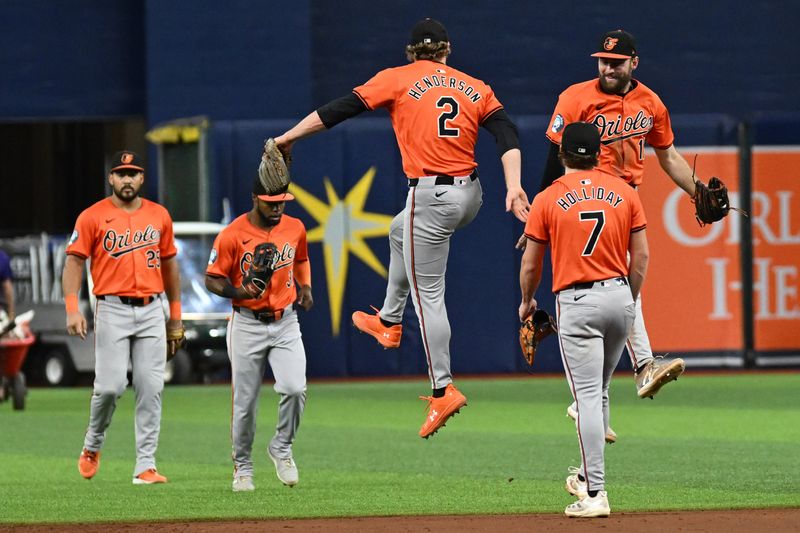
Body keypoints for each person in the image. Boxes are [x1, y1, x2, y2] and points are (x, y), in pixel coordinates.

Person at [274, 18, 529, 438]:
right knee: (398, 230)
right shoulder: (474, 85)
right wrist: (515, 185)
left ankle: (442, 388)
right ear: (447, 51)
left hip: (430, 197)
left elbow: (340, 109)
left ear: (411, 54)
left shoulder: (397, 78)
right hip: (471, 195)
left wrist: (289, 138)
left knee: (429, 295)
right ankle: (389, 321)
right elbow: (506, 131)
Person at [535, 29, 688, 411]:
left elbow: (668, 156)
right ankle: (643, 366)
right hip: (586, 194)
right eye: (603, 61)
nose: (608, 68)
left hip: (624, 195)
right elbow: (555, 155)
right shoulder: (575, 98)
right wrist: (543, 204)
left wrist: (697, 189)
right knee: (621, 279)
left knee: (623, 280)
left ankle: (588, 401)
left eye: (617, 63)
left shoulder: (650, 101)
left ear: (634, 62)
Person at [519, 122, 649, 517]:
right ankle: (586, 481)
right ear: (598, 154)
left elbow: (531, 263)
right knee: (602, 389)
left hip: (578, 302)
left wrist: (526, 301)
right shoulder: (624, 191)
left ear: (562, 155)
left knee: (588, 397)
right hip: (620, 298)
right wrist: (630, 297)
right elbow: (640, 257)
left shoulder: (548, 198)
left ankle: (595, 494)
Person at [64, 150, 183, 484]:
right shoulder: (92, 216)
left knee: (151, 386)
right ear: (111, 178)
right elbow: (73, 262)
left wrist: (175, 316)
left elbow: (170, 266)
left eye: (133, 173)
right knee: (110, 387)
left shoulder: (159, 216)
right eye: (121, 173)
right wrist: (73, 308)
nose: (127, 179)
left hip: (150, 308)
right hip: (112, 307)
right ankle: (92, 444)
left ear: (142, 178)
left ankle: (145, 465)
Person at [205, 177, 313, 492]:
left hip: (285, 320)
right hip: (247, 322)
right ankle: (242, 467)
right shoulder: (232, 234)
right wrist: (239, 290)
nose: (278, 207)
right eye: (271, 202)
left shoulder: (295, 228)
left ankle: (281, 446)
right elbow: (212, 278)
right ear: (255, 198)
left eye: (282, 201)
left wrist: (305, 286)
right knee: (245, 403)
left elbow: (302, 259)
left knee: (294, 388)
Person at [0, 249, 14, 324]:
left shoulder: (2, 258)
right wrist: (11, 314)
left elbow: (7, 287)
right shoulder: (2, 257)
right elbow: (7, 287)